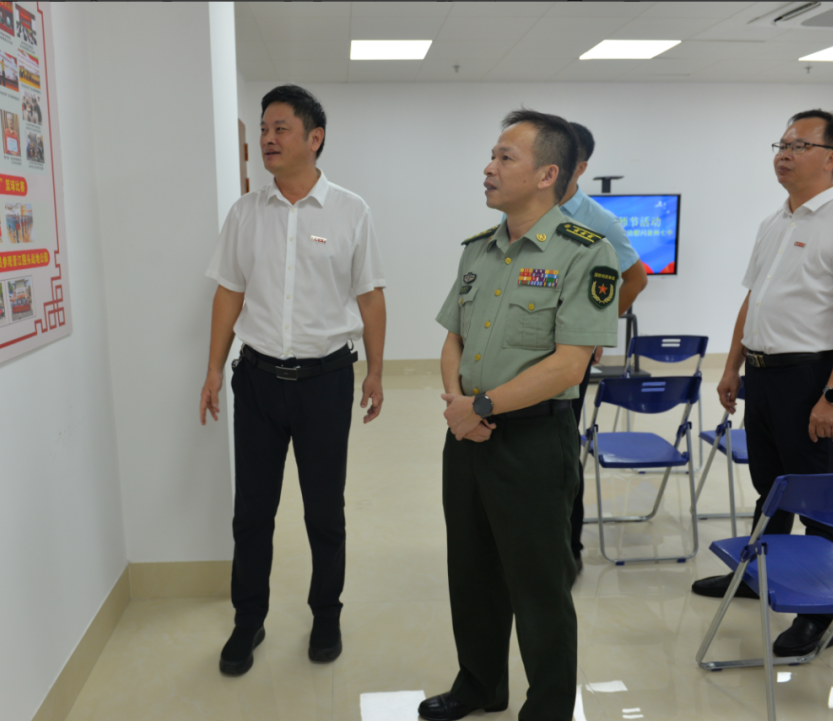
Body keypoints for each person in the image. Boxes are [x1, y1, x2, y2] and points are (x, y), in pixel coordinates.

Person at [422, 110, 619, 721]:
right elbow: (453, 337)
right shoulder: (478, 250)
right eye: (492, 155)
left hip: (534, 440)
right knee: (471, 572)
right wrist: (459, 406)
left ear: (547, 174)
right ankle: (480, 686)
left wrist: (480, 406)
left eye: (505, 157)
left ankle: (549, 708)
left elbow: (568, 365)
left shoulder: (586, 252)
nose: (489, 167)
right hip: (467, 435)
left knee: (538, 586)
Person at [200, 84, 387, 677]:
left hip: (325, 382)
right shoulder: (245, 213)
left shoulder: (351, 211)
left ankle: (326, 613)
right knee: (252, 512)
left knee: (324, 512)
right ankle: (248, 619)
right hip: (256, 382)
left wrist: (376, 370)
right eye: (263, 128)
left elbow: (371, 296)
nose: (267, 139)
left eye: (280, 128)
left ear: (315, 137)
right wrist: (213, 369)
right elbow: (229, 293)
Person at [691, 109, 833, 657]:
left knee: (818, 499)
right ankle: (757, 575)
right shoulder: (775, 222)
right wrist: (733, 366)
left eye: (799, 145)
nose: (784, 154)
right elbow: (754, 300)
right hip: (763, 374)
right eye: (781, 144)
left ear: (832, 156)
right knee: (771, 486)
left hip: (809, 377)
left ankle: (822, 613)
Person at [556, 122, 648, 572]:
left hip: (566, 358)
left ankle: (568, 548)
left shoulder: (598, 220)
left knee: (562, 453)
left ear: (579, 167)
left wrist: (595, 330)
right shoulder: (522, 211)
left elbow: (635, 279)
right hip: (518, 355)